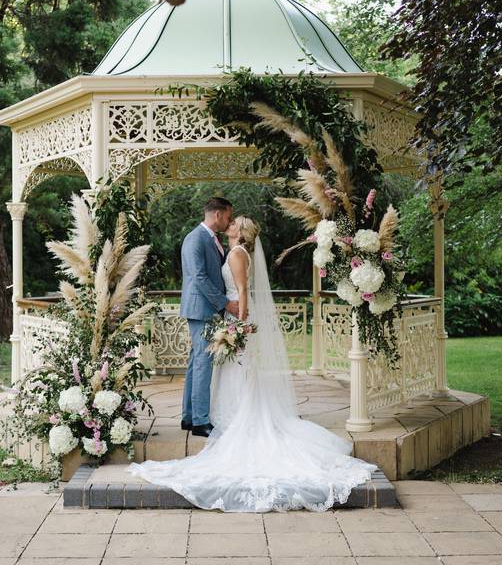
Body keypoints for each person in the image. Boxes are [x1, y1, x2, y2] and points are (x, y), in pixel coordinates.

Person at [129, 215, 378, 512]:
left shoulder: (236, 253)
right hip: (233, 318)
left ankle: (235, 419)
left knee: (237, 373)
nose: (230, 224)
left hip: (237, 319)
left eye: (234, 223)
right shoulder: (236, 252)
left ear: (240, 232)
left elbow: (243, 292)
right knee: (235, 373)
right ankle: (227, 417)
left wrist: (240, 324)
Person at [178, 197, 240, 438]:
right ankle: (200, 422)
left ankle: (189, 416)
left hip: (206, 308)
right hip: (200, 309)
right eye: (227, 216)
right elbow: (199, 277)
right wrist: (225, 303)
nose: (228, 221)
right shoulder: (196, 238)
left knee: (197, 362)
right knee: (203, 363)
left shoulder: (211, 239)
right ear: (217, 215)